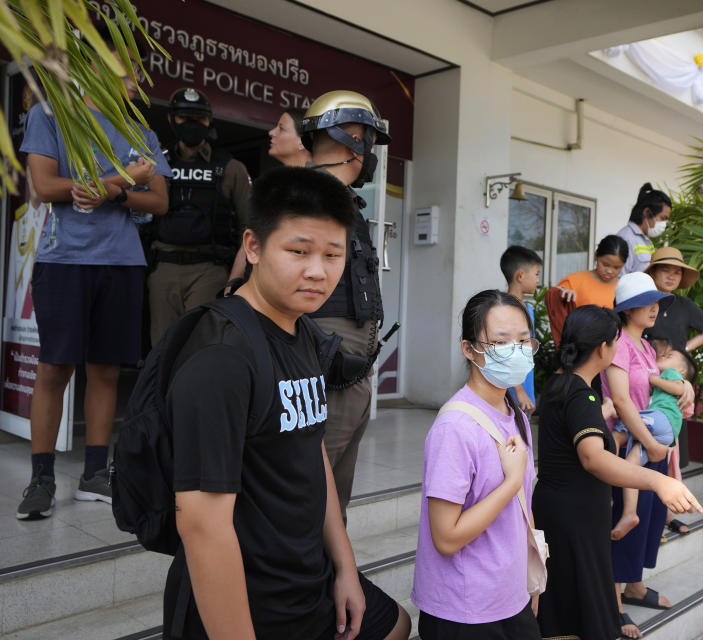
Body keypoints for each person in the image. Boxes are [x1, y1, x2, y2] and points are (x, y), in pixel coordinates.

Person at [162, 167, 410, 639]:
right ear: (253, 247)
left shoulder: (302, 333)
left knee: (394, 624)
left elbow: (310, 450)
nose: (318, 270)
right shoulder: (222, 356)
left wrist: (345, 569)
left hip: (306, 575)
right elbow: (202, 525)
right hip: (252, 597)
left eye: (332, 255)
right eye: (298, 251)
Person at [16, 27, 171, 520]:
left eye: (138, 69)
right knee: (54, 369)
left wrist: (114, 192)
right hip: (63, 261)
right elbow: (44, 184)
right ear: (95, 66)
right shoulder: (50, 115)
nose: (136, 78)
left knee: (105, 371)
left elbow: (161, 201)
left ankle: (94, 474)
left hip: (122, 263)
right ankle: (41, 478)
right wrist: (125, 180)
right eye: (126, 67)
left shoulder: (140, 132)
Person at [533, 305, 701, 640]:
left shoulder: (561, 384)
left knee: (563, 610)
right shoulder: (581, 394)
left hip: (564, 512)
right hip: (573, 519)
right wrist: (659, 480)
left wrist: (622, 435)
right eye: (616, 341)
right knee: (574, 614)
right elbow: (593, 458)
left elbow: (586, 444)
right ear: (602, 348)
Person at [411, 290, 539, 639]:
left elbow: (520, 510)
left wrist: (529, 581)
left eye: (524, 340)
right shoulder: (455, 428)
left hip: (511, 597)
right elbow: (447, 538)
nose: (516, 350)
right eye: (501, 342)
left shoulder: (514, 414)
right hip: (465, 610)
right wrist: (510, 483)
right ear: (469, 349)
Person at [300, 90, 390, 518]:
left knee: (337, 481)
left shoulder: (338, 199)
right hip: (329, 355)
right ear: (354, 138)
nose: (370, 153)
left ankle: (329, 569)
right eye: (369, 140)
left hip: (349, 359)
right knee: (317, 480)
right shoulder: (310, 198)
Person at [601, 272, 695, 619]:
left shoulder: (644, 345)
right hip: (630, 444)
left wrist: (683, 386)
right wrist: (650, 444)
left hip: (650, 441)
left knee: (651, 519)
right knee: (625, 522)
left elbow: (656, 388)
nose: (654, 308)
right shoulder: (618, 343)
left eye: (657, 302)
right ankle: (614, 606)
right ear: (628, 309)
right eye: (646, 302)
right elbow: (623, 401)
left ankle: (636, 585)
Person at [148, 87, 252, 345]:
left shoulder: (230, 168)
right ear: (172, 120)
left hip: (209, 269)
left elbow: (249, 227)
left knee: (200, 347)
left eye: (199, 118)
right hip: (164, 268)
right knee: (162, 349)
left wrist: (236, 279)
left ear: (209, 121)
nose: (192, 124)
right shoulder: (156, 164)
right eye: (184, 117)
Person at [645, 245, 703, 495]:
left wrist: (685, 348)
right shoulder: (642, 301)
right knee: (644, 442)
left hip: (674, 379)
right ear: (653, 272)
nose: (671, 276)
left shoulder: (685, 304)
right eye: (665, 270)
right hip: (643, 378)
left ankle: (668, 509)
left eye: (676, 273)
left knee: (673, 446)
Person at [612, 347, 698, 540]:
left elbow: (678, 388)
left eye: (669, 356)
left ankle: (609, 416)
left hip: (661, 419)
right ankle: (629, 513)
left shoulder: (671, 374)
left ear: (682, 373)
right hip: (664, 432)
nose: (662, 356)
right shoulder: (671, 375)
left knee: (624, 422)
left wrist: (654, 379)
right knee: (630, 466)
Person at [500, 245, 541, 413]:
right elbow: (506, 352)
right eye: (536, 274)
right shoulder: (506, 309)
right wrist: (520, 391)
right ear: (520, 276)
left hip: (524, 386)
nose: (538, 280)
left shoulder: (527, 308)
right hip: (511, 391)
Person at [555, 234, 628, 308]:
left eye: (616, 267)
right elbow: (553, 302)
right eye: (605, 264)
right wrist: (562, 296)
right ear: (596, 256)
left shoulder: (624, 289)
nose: (609, 271)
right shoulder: (573, 282)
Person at [616, 183, 672, 275]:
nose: (664, 224)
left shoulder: (646, 240)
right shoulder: (626, 238)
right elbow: (618, 279)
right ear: (647, 212)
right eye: (663, 218)